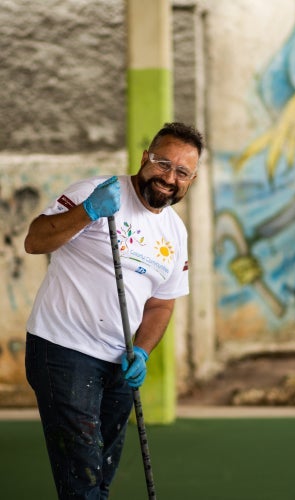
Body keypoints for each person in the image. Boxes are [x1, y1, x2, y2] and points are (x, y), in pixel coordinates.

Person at [24, 122, 204, 499]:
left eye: (182, 172)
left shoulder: (175, 232)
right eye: (163, 163)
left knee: (100, 475)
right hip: (64, 349)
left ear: (191, 180)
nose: (169, 177)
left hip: (119, 361)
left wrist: (142, 350)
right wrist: (88, 212)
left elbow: (161, 304)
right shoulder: (97, 191)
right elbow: (35, 239)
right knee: (81, 478)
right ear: (145, 158)